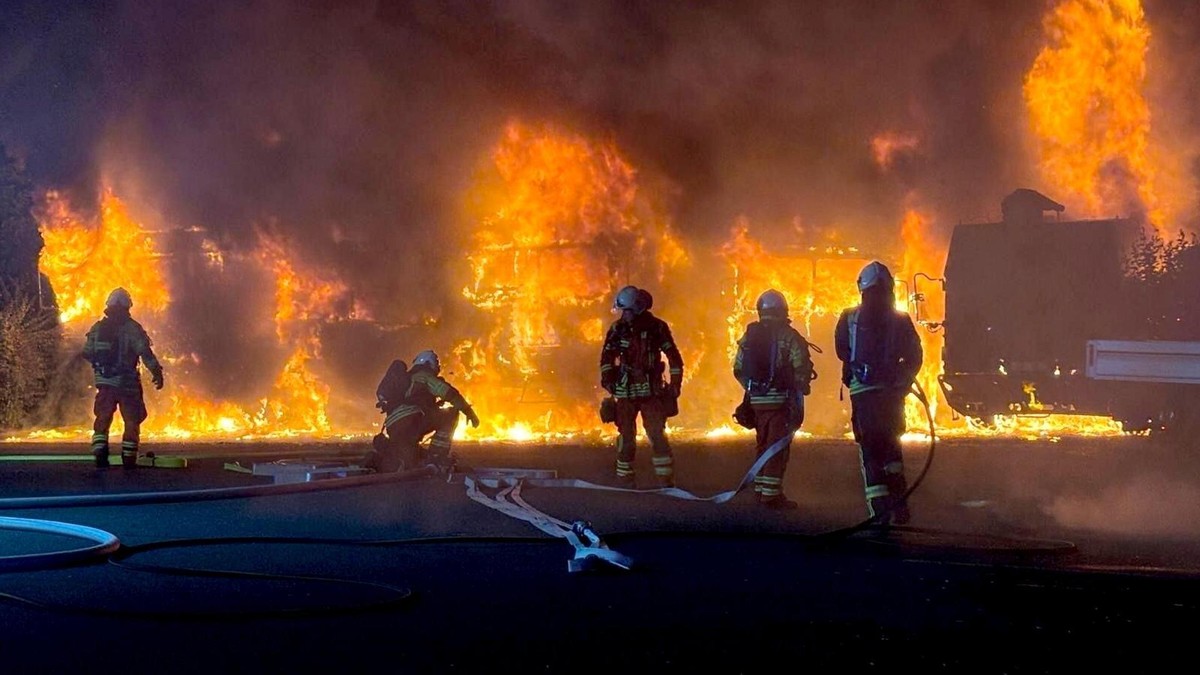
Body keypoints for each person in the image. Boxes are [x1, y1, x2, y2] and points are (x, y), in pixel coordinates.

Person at [834, 261, 922, 525]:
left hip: (863, 395)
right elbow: (915, 355)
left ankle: (879, 514)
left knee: (871, 451)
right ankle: (900, 508)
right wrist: (903, 379)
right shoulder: (901, 319)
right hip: (891, 395)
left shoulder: (849, 317)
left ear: (862, 288)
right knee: (892, 449)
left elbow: (842, 351)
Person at [733, 289, 816, 509]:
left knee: (763, 445)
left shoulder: (749, 336)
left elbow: (738, 368)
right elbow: (801, 365)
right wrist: (800, 385)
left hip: (757, 402)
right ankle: (771, 496)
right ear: (783, 310)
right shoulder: (789, 336)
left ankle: (760, 490)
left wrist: (753, 389)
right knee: (776, 448)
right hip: (781, 401)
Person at [599, 285, 684, 488]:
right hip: (625, 392)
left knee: (656, 435)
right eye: (622, 311)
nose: (624, 315)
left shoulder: (657, 328)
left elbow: (674, 358)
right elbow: (606, 358)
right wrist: (608, 380)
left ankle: (666, 481)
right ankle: (625, 480)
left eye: (627, 311)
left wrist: (675, 385)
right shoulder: (617, 329)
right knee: (626, 438)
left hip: (651, 392)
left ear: (637, 309)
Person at [81, 287, 164, 468]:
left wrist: (102, 366)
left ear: (108, 306)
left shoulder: (97, 328)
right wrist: (157, 372)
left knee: (103, 417)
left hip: (105, 383)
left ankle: (100, 453)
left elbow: (87, 353)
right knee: (132, 420)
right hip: (127, 384)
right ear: (127, 307)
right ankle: (129, 459)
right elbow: (145, 353)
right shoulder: (132, 329)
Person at [366, 349, 480, 473]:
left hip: (393, 427)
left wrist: (432, 406)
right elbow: (448, 392)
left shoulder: (407, 380)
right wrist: (468, 411)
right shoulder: (423, 375)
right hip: (411, 421)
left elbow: (412, 402)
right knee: (451, 415)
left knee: (411, 460)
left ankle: (387, 463)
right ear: (430, 363)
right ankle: (437, 456)